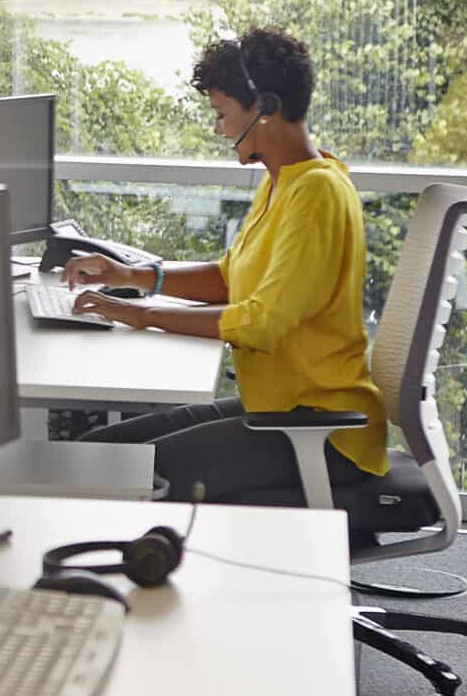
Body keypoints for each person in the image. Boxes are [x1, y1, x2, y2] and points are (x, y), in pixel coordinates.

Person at [60, 27, 389, 503]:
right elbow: (228, 280)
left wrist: (142, 315)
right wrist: (131, 276)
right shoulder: (283, 183)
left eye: (222, 115)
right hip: (280, 410)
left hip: (323, 432)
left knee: (113, 477)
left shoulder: (317, 194)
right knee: (97, 452)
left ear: (267, 109)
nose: (218, 129)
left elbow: (261, 323)